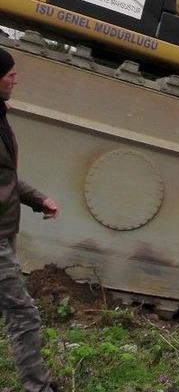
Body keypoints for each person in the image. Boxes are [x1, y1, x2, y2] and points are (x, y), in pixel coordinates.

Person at [0, 47, 60, 392]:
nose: (15, 78)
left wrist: (38, 199)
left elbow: (4, 177)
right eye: (9, 73)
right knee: (23, 315)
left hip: (6, 231)